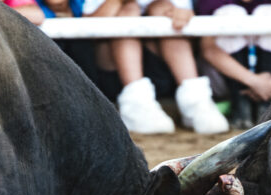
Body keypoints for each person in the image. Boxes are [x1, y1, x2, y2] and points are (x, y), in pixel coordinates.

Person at [84, 0, 230, 135]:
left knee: (162, 7)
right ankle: (136, 102)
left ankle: (196, 100)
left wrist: (184, 17)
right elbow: (84, 30)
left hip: (164, 69)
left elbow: (190, 31)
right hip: (112, 72)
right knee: (130, 9)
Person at [198, 0, 271, 128]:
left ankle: (266, 106)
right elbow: (208, 49)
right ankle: (240, 107)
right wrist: (255, 82)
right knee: (230, 14)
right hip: (226, 81)